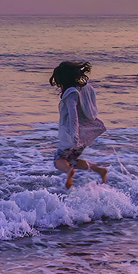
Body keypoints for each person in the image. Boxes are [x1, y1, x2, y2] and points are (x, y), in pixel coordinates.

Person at [51, 60, 108, 189]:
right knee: (71, 160)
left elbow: (73, 115)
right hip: (84, 134)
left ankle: (68, 172)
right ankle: (99, 170)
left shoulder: (71, 93)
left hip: (73, 134)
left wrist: (74, 135)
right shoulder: (84, 89)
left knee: (58, 160)